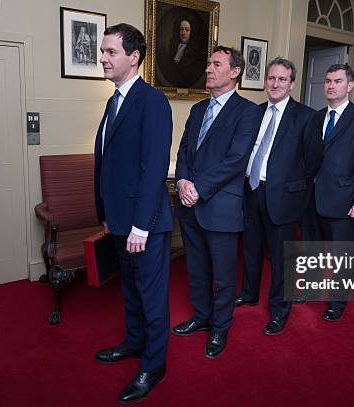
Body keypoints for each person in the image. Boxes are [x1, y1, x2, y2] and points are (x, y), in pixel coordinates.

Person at [93, 23, 173, 404]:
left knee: (151, 296)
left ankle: (154, 365)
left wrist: (141, 225)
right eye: (103, 51)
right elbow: (108, 162)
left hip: (145, 226)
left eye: (110, 52)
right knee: (130, 291)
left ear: (134, 57)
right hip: (120, 220)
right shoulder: (113, 101)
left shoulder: (152, 101)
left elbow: (153, 169)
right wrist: (105, 213)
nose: (103, 58)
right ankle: (134, 343)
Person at [172, 46, 261, 358]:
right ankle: (201, 317)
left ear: (234, 72)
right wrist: (182, 181)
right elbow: (183, 150)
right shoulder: (198, 110)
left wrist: (198, 188)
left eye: (216, 64)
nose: (208, 69)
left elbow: (236, 160)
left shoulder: (248, 112)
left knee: (223, 275)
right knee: (195, 269)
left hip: (220, 206)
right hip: (189, 205)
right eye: (208, 63)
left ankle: (220, 328)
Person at [234, 57, 323, 335]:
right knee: (250, 250)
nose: (275, 84)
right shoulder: (254, 112)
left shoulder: (307, 116)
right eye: (271, 78)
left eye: (282, 79)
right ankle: (249, 292)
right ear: (264, 82)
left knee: (282, 259)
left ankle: (279, 311)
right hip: (250, 191)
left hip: (284, 197)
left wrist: (289, 184)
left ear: (292, 84)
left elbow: (313, 161)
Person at [301, 63, 354, 321]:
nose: (331, 85)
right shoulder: (316, 116)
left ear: (350, 86)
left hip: (345, 200)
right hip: (312, 197)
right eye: (328, 81)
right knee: (310, 248)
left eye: (337, 81)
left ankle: (337, 302)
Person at [160, 17, 206, 88]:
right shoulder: (173, 48)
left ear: (192, 32)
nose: (183, 33)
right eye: (181, 29)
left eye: (187, 30)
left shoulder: (196, 54)